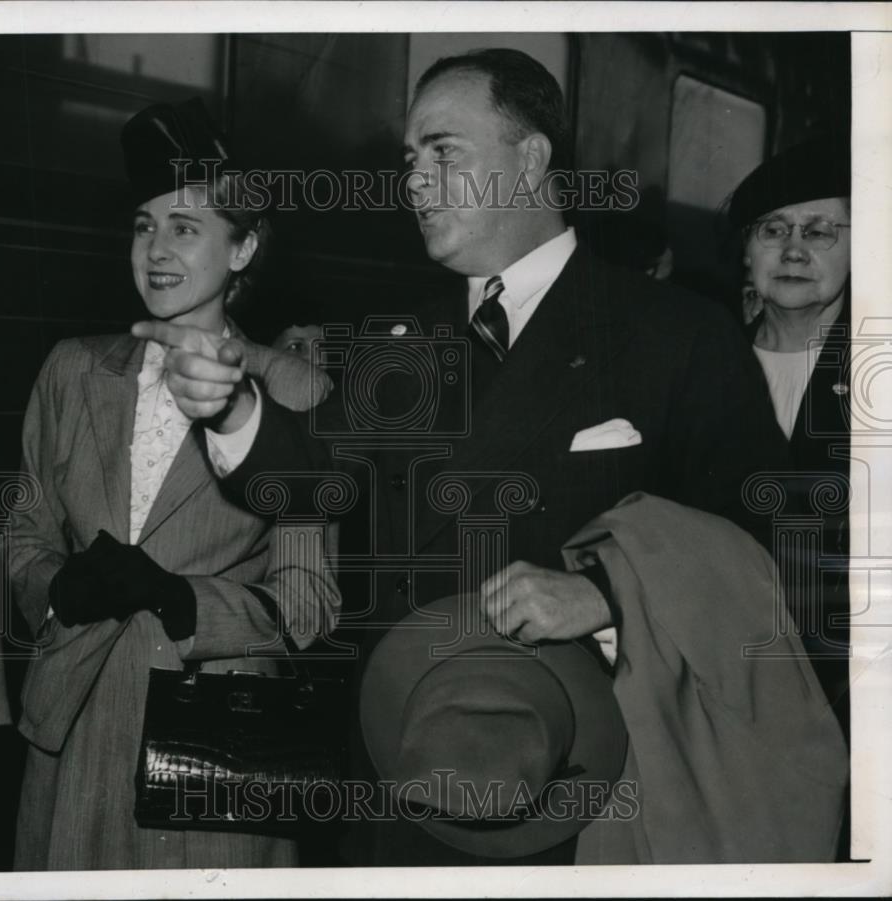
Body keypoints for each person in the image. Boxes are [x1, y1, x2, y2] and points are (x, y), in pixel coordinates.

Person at [134, 50, 805, 864]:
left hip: (581, 781)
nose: (415, 180)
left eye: (443, 151)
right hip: (406, 758)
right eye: (410, 159)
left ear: (529, 160)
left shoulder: (676, 335)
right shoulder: (399, 342)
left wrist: (606, 591)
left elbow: (768, 537)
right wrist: (232, 407)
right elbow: (314, 479)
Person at [9, 98, 340, 871]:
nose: (155, 248)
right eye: (143, 224)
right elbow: (25, 533)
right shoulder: (72, 369)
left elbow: (310, 600)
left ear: (245, 246)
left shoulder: (297, 393)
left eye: (186, 227)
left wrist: (185, 601)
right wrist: (62, 591)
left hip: (214, 737)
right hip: (71, 721)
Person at [728, 137, 852, 734]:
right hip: (722, 666)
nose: (794, 251)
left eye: (821, 231)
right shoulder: (700, 360)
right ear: (747, 251)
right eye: (773, 231)